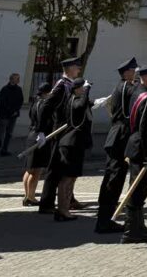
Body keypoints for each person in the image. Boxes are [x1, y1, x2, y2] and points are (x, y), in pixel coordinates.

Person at [121, 60, 147, 245]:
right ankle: (131, 230)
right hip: (142, 149)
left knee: (138, 188)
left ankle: (137, 226)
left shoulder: (137, 92)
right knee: (137, 189)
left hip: (135, 145)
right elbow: (146, 129)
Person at [95, 56, 138, 233]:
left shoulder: (121, 87)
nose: (136, 72)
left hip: (117, 136)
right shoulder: (127, 87)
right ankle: (105, 221)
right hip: (120, 136)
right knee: (114, 179)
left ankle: (105, 218)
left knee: (112, 178)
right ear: (127, 72)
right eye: (134, 70)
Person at [37, 55, 82, 215]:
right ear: (69, 69)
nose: (79, 69)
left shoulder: (70, 84)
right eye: (76, 67)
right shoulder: (62, 86)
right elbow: (46, 107)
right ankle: (46, 203)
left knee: (64, 168)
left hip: (67, 129)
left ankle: (69, 199)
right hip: (60, 130)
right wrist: (41, 131)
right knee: (55, 168)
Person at [54, 77, 93, 222]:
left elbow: (86, 104)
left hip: (75, 143)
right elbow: (81, 105)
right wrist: (87, 90)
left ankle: (65, 208)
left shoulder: (75, 100)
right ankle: (62, 209)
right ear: (77, 89)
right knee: (67, 178)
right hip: (71, 143)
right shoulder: (74, 101)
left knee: (72, 177)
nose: (84, 90)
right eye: (83, 87)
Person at [22, 82, 53, 206]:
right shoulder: (44, 104)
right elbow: (42, 120)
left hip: (31, 134)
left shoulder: (35, 102)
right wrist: (41, 132)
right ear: (47, 92)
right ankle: (31, 197)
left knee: (29, 169)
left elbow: (32, 117)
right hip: (39, 136)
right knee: (36, 170)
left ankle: (27, 195)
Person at [0, 73, 24, 156]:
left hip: (14, 115)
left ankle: (4, 149)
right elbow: (2, 103)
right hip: (4, 115)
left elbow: (21, 101)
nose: (18, 80)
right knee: (1, 133)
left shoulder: (19, 89)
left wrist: (16, 110)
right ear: (11, 79)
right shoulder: (5, 89)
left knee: (9, 133)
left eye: (18, 78)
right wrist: (10, 110)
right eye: (17, 78)